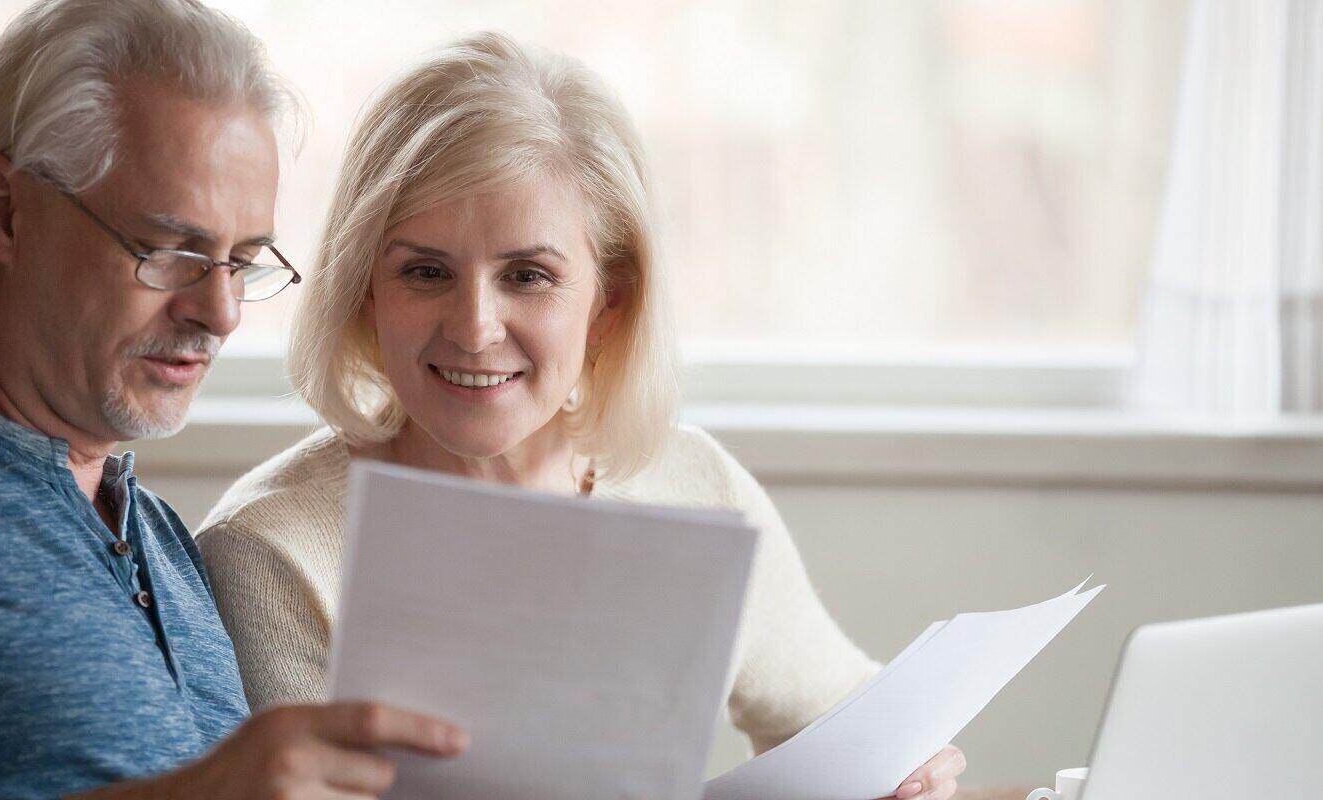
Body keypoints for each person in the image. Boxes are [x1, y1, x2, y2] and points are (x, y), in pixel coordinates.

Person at [198, 32, 966, 800]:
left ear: (610, 302)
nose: (474, 328)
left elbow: (840, 718)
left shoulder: (693, 484)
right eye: (426, 271)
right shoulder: (271, 550)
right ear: (365, 288)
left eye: (528, 276)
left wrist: (907, 767)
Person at [0, 2, 464, 798]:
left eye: (242, 262)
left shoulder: (161, 539)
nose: (221, 313)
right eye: (172, 252)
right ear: (3, 213)